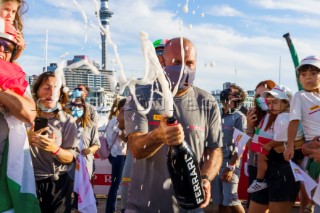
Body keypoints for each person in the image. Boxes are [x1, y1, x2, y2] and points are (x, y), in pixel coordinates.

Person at [124, 37, 223, 212]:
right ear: (162, 62)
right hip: (145, 207)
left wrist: (205, 178)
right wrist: (158, 136)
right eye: (177, 62)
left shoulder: (207, 101)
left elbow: (215, 150)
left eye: (190, 63)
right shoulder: (140, 96)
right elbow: (136, 149)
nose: (184, 68)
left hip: (190, 207)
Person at [0, 16, 38, 212]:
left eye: (7, 46)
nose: (2, 49)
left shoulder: (15, 81)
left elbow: (30, 113)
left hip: (4, 184)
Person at [28, 71, 79, 213]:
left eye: (56, 88)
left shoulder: (67, 121)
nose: (51, 92)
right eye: (46, 87)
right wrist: (27, 140)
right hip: (27, 181)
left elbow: (71, 158)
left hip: (56, 185)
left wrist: (54, 149)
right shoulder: (25, 117)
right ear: (37, 91)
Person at [246, 84, 301, 213]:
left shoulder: (288, 117)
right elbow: (253, 147)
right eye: (258, 96)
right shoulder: (264, 118)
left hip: (283, 171)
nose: (263, 101)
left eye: (274, 101)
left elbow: (289, 145)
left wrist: (272, 147)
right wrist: (249, 127)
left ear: (286, 102)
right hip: (265, 172)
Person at [284, 55, 320, 212]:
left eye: (313, 73)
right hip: (314, 148)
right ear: (299, 78)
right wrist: (290, 146)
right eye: (304, 75)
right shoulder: (300, 96)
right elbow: (293, 122)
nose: (308, 78)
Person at [211, 85, 247, 213]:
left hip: (230, 163)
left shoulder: (239, 117)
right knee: (220, 201)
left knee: (232, 200)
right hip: (215, 163)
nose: (226, 92)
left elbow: (241, 145)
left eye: (231, 91)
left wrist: (231, 167)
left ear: (237, 98)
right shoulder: (217, 114)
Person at [245, 80, 276, 208]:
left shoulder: (280, 117)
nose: (261, 99)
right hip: (255, 168)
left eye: (265, 95)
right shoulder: (256, 116)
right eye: (257, 96)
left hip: (273, 169)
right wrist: (250, 127)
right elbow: (250, 146)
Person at [69, 97, 100, 211]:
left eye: (79, 106)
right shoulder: (66, 123)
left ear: (84, 107)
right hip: (69, 165)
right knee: (70, 194)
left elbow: (97, 144)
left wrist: (89, 150)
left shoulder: (91, 125)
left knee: (85, 197)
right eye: (74, 106)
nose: (77, 108)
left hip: (85, 164)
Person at [105, 98, 127, 213]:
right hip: (119, 155)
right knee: (116, 185)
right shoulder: (117, 121)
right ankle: (110, 210)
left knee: (117, 184)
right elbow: (125, 138)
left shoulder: (113, 119)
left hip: (115, 155)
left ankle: (112, 209)